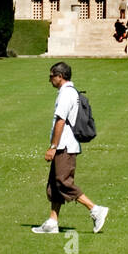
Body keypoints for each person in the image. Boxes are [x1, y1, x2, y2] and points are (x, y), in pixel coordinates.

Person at [33, 62, 108, 235]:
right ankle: (52, 221)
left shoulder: (66, 94)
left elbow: (60, 121)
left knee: (63, 182)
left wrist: (53, 147)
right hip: (65, 145)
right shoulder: (70, 92)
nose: (50, 79)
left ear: (60, 76)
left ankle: (95, 209)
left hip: (64, 146)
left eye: (51, 76)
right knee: (54, 184)